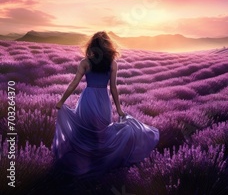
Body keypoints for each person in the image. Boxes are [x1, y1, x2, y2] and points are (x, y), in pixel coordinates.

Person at [52, 31, 159, 176]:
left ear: (92, 45)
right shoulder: (112, 64)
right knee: (101, 135)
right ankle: (101, 165)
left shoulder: (85, 62)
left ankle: (84, 164)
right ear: (108, 46)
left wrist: (61, 101)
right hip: (103, 101)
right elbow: (114, 88)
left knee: (85, 132)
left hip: (87, 100)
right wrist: (119, 110)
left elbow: (73, 84)